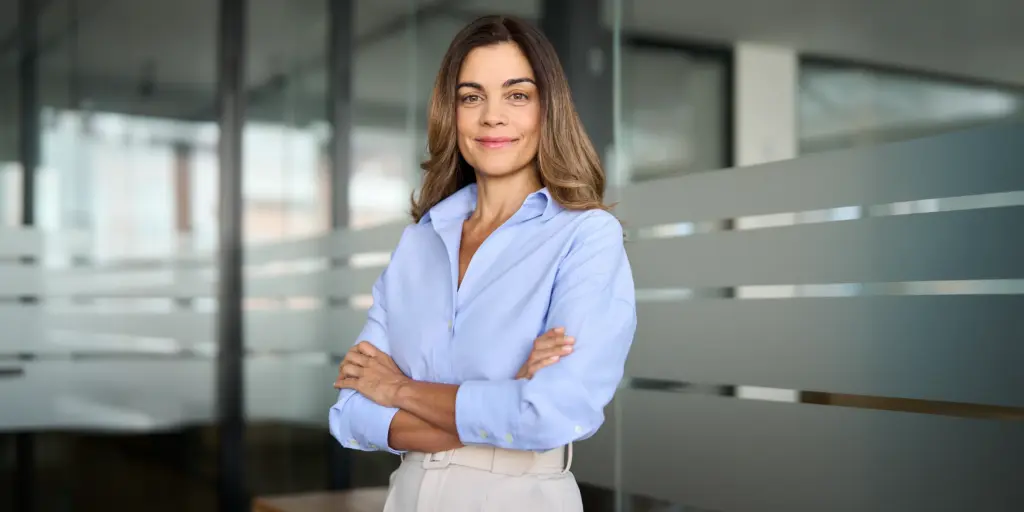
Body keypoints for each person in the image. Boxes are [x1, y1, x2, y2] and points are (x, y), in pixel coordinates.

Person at [329, 14, 636, 512]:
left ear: (547, 109)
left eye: (517, 95)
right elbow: (350, 415)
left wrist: (398, 388)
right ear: (451, 113)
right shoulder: (418, 243)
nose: (492, 116)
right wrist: (503, 402)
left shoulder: (585, 237)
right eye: (472, 96)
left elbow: (551, 412)